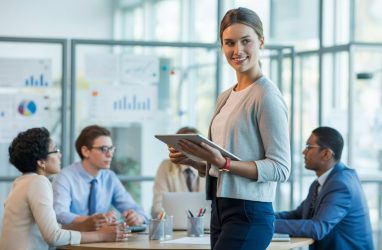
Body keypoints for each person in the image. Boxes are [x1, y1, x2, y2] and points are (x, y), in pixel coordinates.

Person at [169, 7, 291, 250]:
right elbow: (222, 165)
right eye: (229, 42)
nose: (238, 51)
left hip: (250, 213)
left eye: (246, 41)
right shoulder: (225, 97)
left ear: (261, 42)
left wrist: (223, 163)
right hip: (220, 208)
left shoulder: (266, 96)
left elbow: (280, 168)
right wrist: (195, 160)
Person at [0, 127, 126, 250]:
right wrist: (101, 235)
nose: (59, 155)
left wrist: (85, 225)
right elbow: (54, 237)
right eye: (55, 150)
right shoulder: (38, 182)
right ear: (41, 162)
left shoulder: (21, 181)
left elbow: (51, 228)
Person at [275, 127, 374, 250]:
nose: (303, 152)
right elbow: (299, 214)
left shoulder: (341, 184)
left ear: (326, 154)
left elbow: (317, 228)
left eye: (309, 147)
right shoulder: (320, 183)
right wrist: (264, 217)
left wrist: (267, 224)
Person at [53, 125, 148, 231]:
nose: (110, 154)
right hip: (72, 242)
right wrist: (93, 221)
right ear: (85, 151)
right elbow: (59, 215)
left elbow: (135, 208)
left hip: (102, 241)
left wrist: (138, 217)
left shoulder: (109, 177)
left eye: (111, 149)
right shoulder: (65, 177)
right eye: (104, 149)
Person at [151, 126, 206, 218]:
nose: (190, 149)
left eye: (193, 145)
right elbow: (157, 206)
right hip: (174, 226)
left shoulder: (208, 168)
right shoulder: (165, 166)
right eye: (185, 145)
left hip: (203, 227)